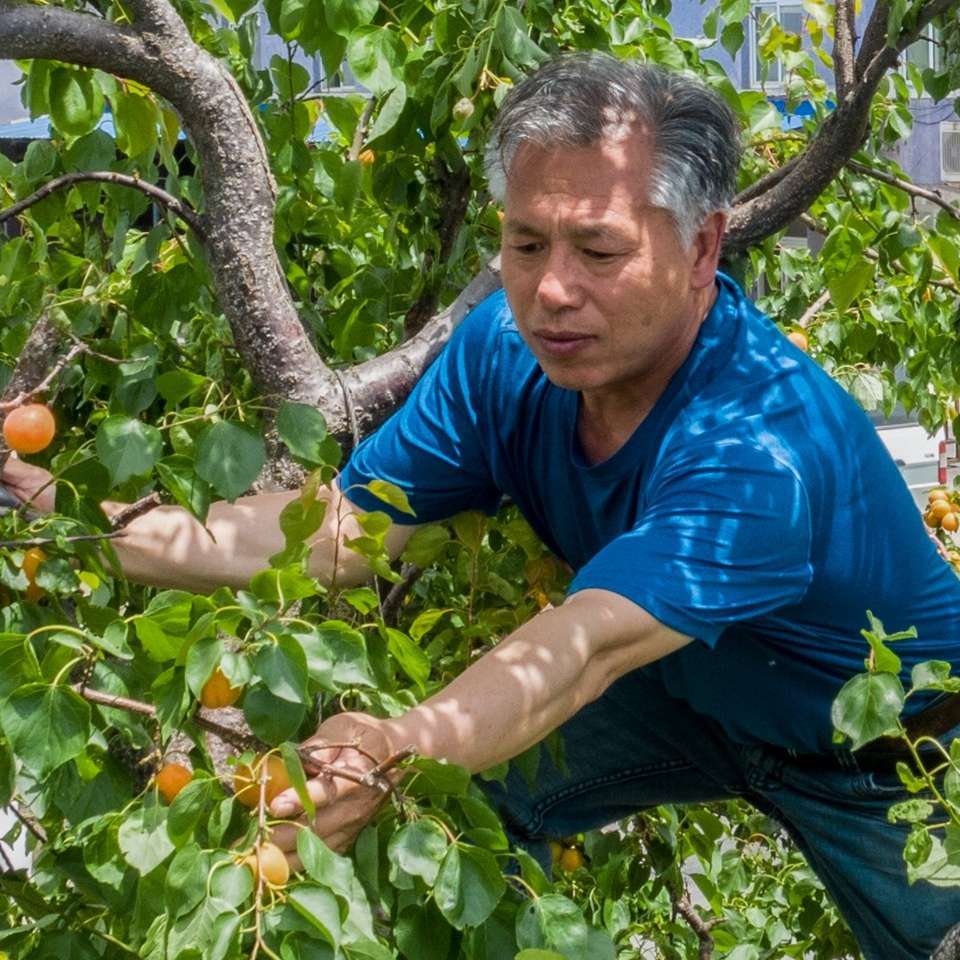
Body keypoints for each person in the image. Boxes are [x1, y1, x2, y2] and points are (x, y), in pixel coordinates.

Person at [4, 53, 960, 958]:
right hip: (692, 693)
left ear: (703, 244)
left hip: (896, 764)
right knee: (460, 806)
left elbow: (582, 649)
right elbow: (339, 532)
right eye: (524, 241)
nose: (550, 289)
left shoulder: (759, 443)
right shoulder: (504, 353)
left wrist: (393, 744)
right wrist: (89, 525)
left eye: (598, 249)